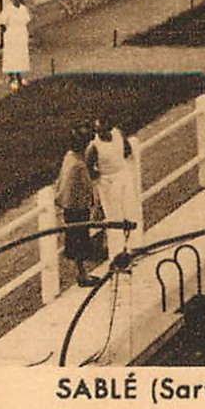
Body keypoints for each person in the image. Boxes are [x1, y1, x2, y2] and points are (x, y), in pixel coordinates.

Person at [54, 132, 99, 287]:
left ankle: (81, 272)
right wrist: (90, 202)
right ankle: (82, 275)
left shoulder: (70, 157)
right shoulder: (78, 165)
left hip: (69, 207)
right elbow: (84, 186)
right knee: (79, 241)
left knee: (76, 240)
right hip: (77, 209)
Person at [87, 121, 137, 253]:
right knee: (114, 218)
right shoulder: (94, 146)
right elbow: (89, 166)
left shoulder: (118, 134)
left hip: (122, 176)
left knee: (129, 211)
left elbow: (127, 150)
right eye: (98, 131)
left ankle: (131, 247)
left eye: (102, 130)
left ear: (109, 128)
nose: (100, 134)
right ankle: (116, 252)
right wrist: (100, 177)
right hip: (108, 182)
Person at [0, 0, 31, 90]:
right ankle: (12, 78)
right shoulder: (7, 10)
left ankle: (20, 77)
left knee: (21, 57)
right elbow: (2, 24)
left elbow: (27, 20)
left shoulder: (23, 9)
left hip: (21, 35)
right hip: (12, 37)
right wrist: (8, 34)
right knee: (12, 57)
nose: (16, 0)